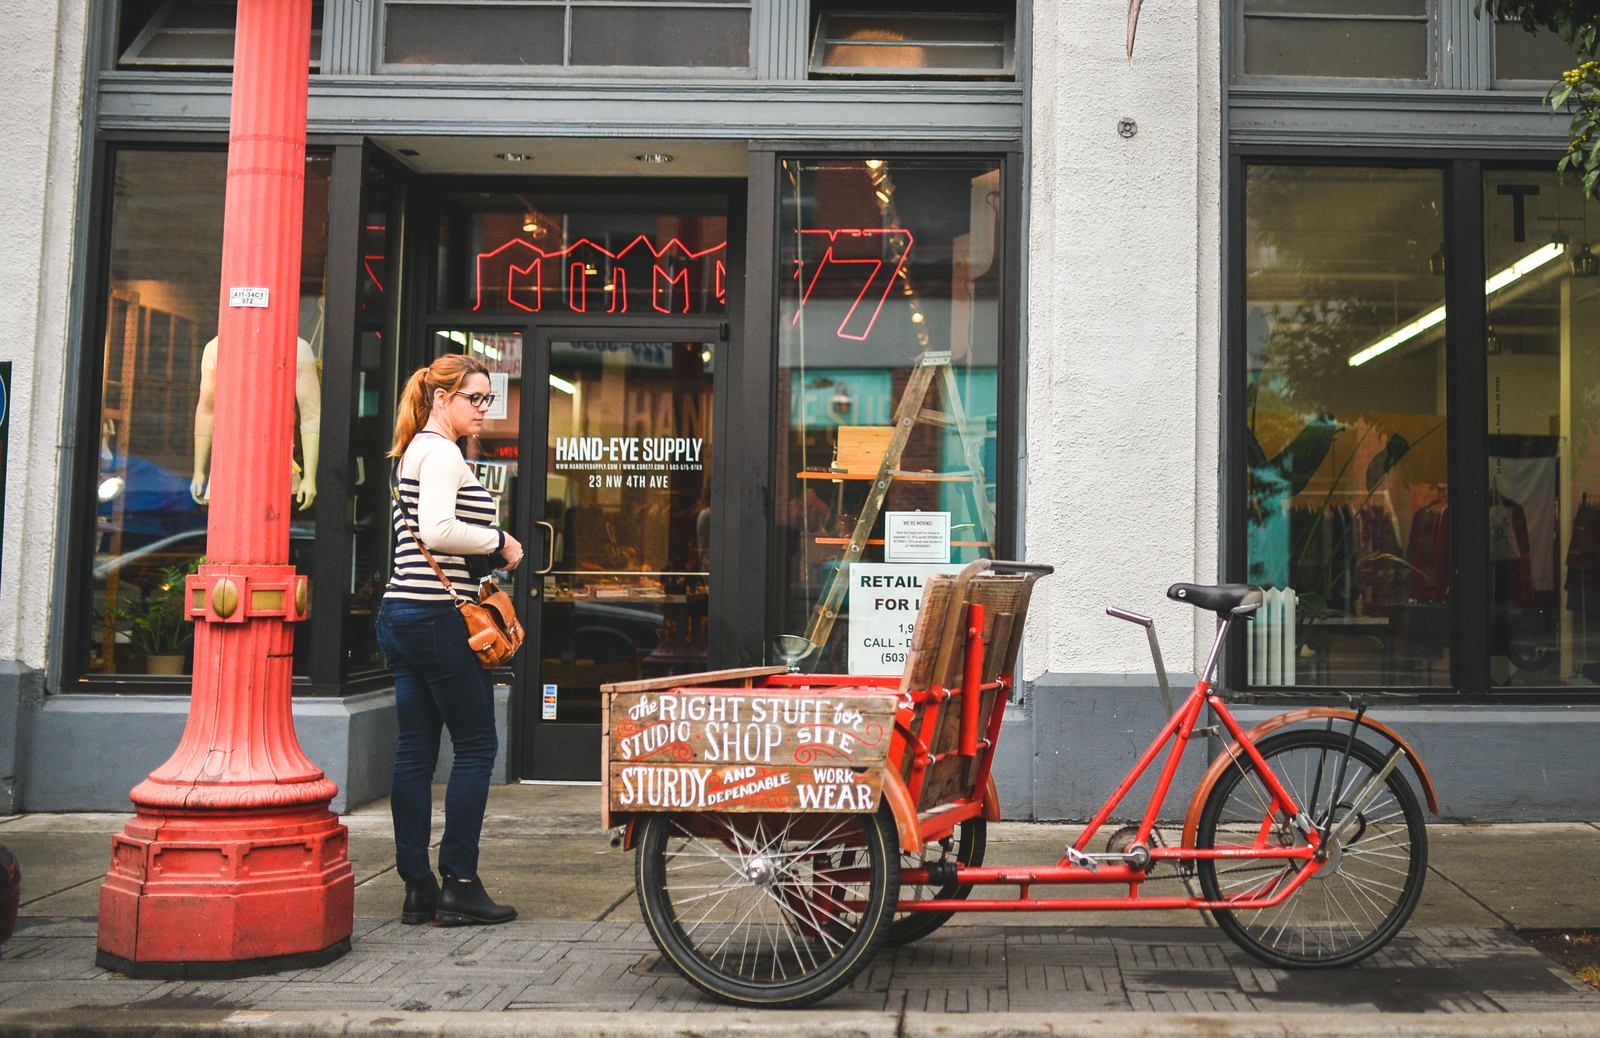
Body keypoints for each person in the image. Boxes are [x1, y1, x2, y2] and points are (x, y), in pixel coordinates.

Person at [380, 353, 524, 927]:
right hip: (439, 619)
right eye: (475, 398)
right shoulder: (439, 453)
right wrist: (500, 541)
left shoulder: (409, 452)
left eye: (489, 399)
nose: (485, 410)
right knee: (477, 747)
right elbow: (439, 530)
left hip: (400, 613)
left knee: (414, 750)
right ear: (442, 398)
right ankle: (459, 883)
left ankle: (417, 885)